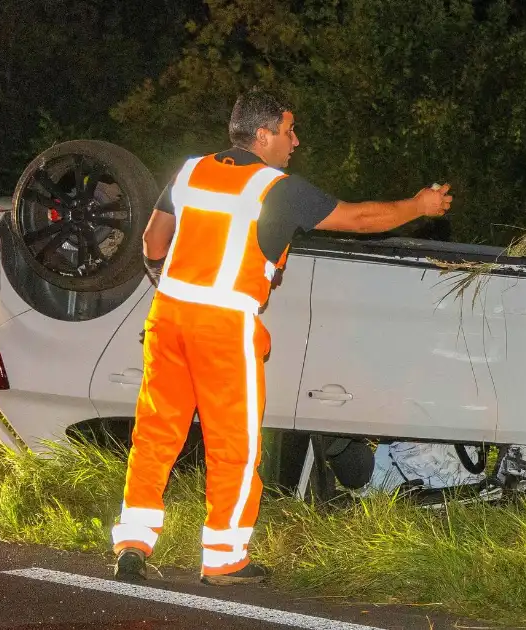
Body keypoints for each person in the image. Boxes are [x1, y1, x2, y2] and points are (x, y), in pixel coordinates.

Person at [110, 89, 453, 585]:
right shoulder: (276, 188)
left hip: (167, 317)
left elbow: (153, 244)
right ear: (263, 134)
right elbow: (359, 218)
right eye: (290, 130)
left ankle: (134, 542)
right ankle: (225, 556)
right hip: (224, 326)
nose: (296, 141)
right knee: (235, 443)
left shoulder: (188, 170)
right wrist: (419, 204)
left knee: (155, 434)